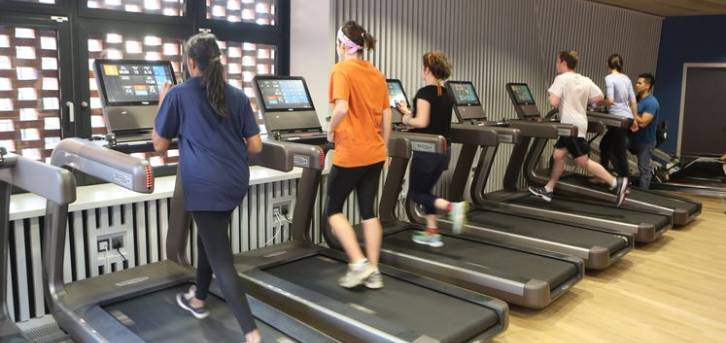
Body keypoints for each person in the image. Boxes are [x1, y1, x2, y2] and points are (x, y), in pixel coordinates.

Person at [152, 33, 262, 343]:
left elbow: (159, 145)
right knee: (209, 239)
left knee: (221, 259)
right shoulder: (237, 96)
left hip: (204, 186)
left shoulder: (177, 94)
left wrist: (162, 103)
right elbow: (254, 146)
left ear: (189, 63)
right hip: (234, 182)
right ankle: (198, 299)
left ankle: (252, 333)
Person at [326, 21, 391, 289]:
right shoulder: (376, 73)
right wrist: (383, 146)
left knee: (333, 210)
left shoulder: (341, 70)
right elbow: (387, 115)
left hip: (351, 152)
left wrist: (330, 131)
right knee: (368, 212)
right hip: (375, 153)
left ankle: (359, 263)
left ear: (342, 45)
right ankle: (374, 271)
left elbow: (341, 107)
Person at [529, 50, 629, 207]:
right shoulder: (585, 79)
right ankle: (548, 189)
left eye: (557, 61)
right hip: (579, 123)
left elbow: (553, 102)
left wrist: (551, 96)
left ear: (563, 62)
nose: (556, 64)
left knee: (583, 161)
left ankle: (616, 182)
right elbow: (598, 98)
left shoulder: (561, 79)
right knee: (558, 155)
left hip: (569, 126)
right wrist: (582, 102)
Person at [395, 51, 467, 248]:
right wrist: (408, 111)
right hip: (444, 152)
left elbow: (422, 121)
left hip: (427, 151)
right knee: (426, 190)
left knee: (417, 194)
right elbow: (433, 118)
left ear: (426, 69)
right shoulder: (445, 93)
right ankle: (432, 232)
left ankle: (452, 207)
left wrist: (406, 119)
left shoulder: (424, 92)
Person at [598, 54, 637, 180]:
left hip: (617, 119)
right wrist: (635, 119)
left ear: (608, 65)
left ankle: (626, 182)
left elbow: (609, 100)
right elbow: (633, 101)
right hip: (627, 118)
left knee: (619, 151)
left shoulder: (609, 78)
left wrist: (598, 102)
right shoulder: (627, 79)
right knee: (604, 145)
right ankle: (602, 176)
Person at [629, 73, 659, 189]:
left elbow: (643, 121)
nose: (636, 85)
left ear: (647, 86)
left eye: (639, 83)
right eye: (636, 82)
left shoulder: (652, 103)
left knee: (643, 169)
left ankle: (643, 194)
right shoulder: (636, 99)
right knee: (612, 150)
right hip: (632, 139)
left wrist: (631, 111)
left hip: (645, 142)